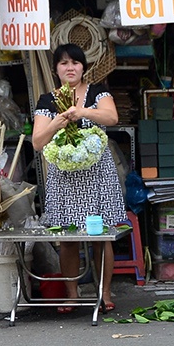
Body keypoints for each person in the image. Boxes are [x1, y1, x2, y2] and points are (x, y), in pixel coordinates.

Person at [31, 43, 125, 312]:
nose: (70, 67)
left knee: (102, 235)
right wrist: (57, 123)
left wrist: (82, 112)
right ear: (56, 69)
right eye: (63, 63)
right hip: (66, 179)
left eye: (75, 62)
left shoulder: (97, 93)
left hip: (98, 175)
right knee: (69, 238)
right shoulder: (47, 101)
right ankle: (72, 294)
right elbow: (38, 142)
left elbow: (112, 117)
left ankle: (104, 294)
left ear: (84, 67)